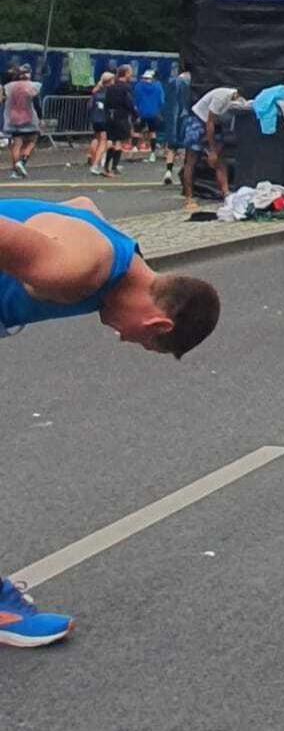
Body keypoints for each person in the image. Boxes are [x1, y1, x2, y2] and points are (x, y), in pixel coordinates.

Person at [0, 196, 221, 647]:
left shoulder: (120, 254)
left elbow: (80, 205)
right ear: (158, 323)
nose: (122, 338)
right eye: (142, 341)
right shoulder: (79, 269)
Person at [184, 85, 241, 210]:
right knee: (191, 159)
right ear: (236, 95)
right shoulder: (221, 98)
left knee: (220, 161)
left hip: (216, 124)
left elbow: (224, 128)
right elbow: (209, 122)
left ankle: (226, 194)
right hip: (198, 120)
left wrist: (216, 151)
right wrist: (212, 149)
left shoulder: (239, 103)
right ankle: (189, 196)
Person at [2, 65, 42, 178]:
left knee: (16, 144)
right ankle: (22, 162)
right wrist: (40, 117)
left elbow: (4, 100)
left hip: (13, 119)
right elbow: (37, 104)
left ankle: (15, 171)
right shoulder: (33, 86)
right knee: (32, 140)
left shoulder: (8, 87)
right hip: (29, 118)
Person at [103, 66, 138, 177]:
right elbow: (129, 103)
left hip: (110, 116)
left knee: (110, 140)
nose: (131, 75)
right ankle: (113, 167)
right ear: (126, 73)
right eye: (130, 73)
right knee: (118, 142)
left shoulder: (111, 87)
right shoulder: (126, 88)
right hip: (121, 116)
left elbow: (106, 102)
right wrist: (135, 114)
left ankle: (106, 165)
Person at [161, 67, 194, 186]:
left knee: (172, 147)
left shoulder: (172, 82)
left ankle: (168, 171)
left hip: (172, 116)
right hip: (187, 116)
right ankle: (185, 173)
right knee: (189, 147)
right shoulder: (191, 82)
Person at [134, 69, 167, 163]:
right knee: (153, 133)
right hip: (154, 113)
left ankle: (134, 149)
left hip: (140, 113)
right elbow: (162, 101)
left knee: (137, 131)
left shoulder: (138, 86)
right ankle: (152, 153)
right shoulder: (158, 86)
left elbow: (135, 99)